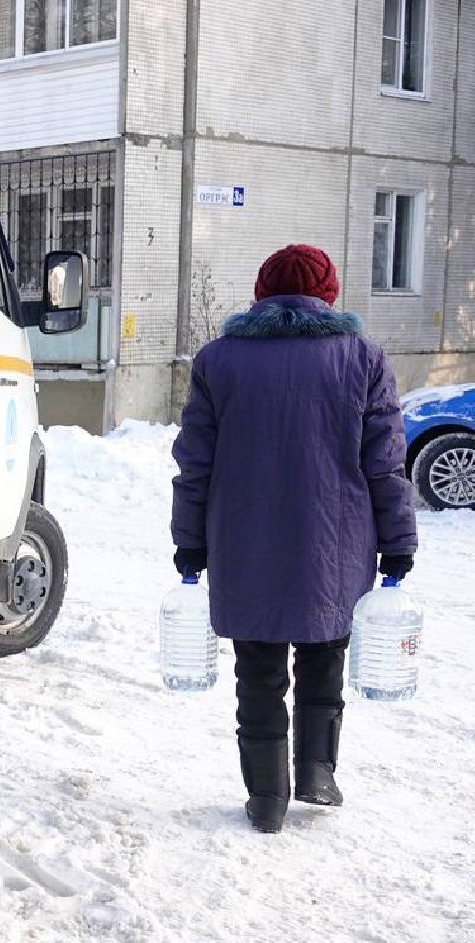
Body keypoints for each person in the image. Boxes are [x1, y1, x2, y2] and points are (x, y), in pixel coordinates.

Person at [171, 244, 418, 834]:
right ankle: (316, 771)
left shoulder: (219, 361)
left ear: (262, 294)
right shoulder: (363, 358)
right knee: (324, 654)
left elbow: (195, 463)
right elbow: (385, 463)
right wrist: (398, 541)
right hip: (335, 542)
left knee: (257, 670)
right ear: (328, 295)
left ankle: (266, 798)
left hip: (242, 541)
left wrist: (189, 539)